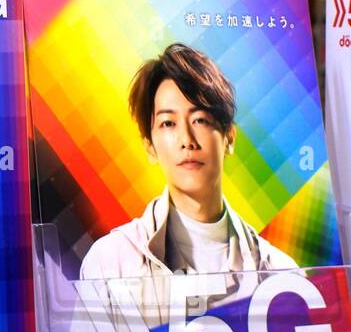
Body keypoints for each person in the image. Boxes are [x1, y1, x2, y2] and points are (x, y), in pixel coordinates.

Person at [80, 42, 296, 281]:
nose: (187, 140)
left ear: (229, 138)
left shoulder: (279, 272)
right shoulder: (110, 263)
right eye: (168, 123)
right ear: (150, 147)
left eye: (200, 120)